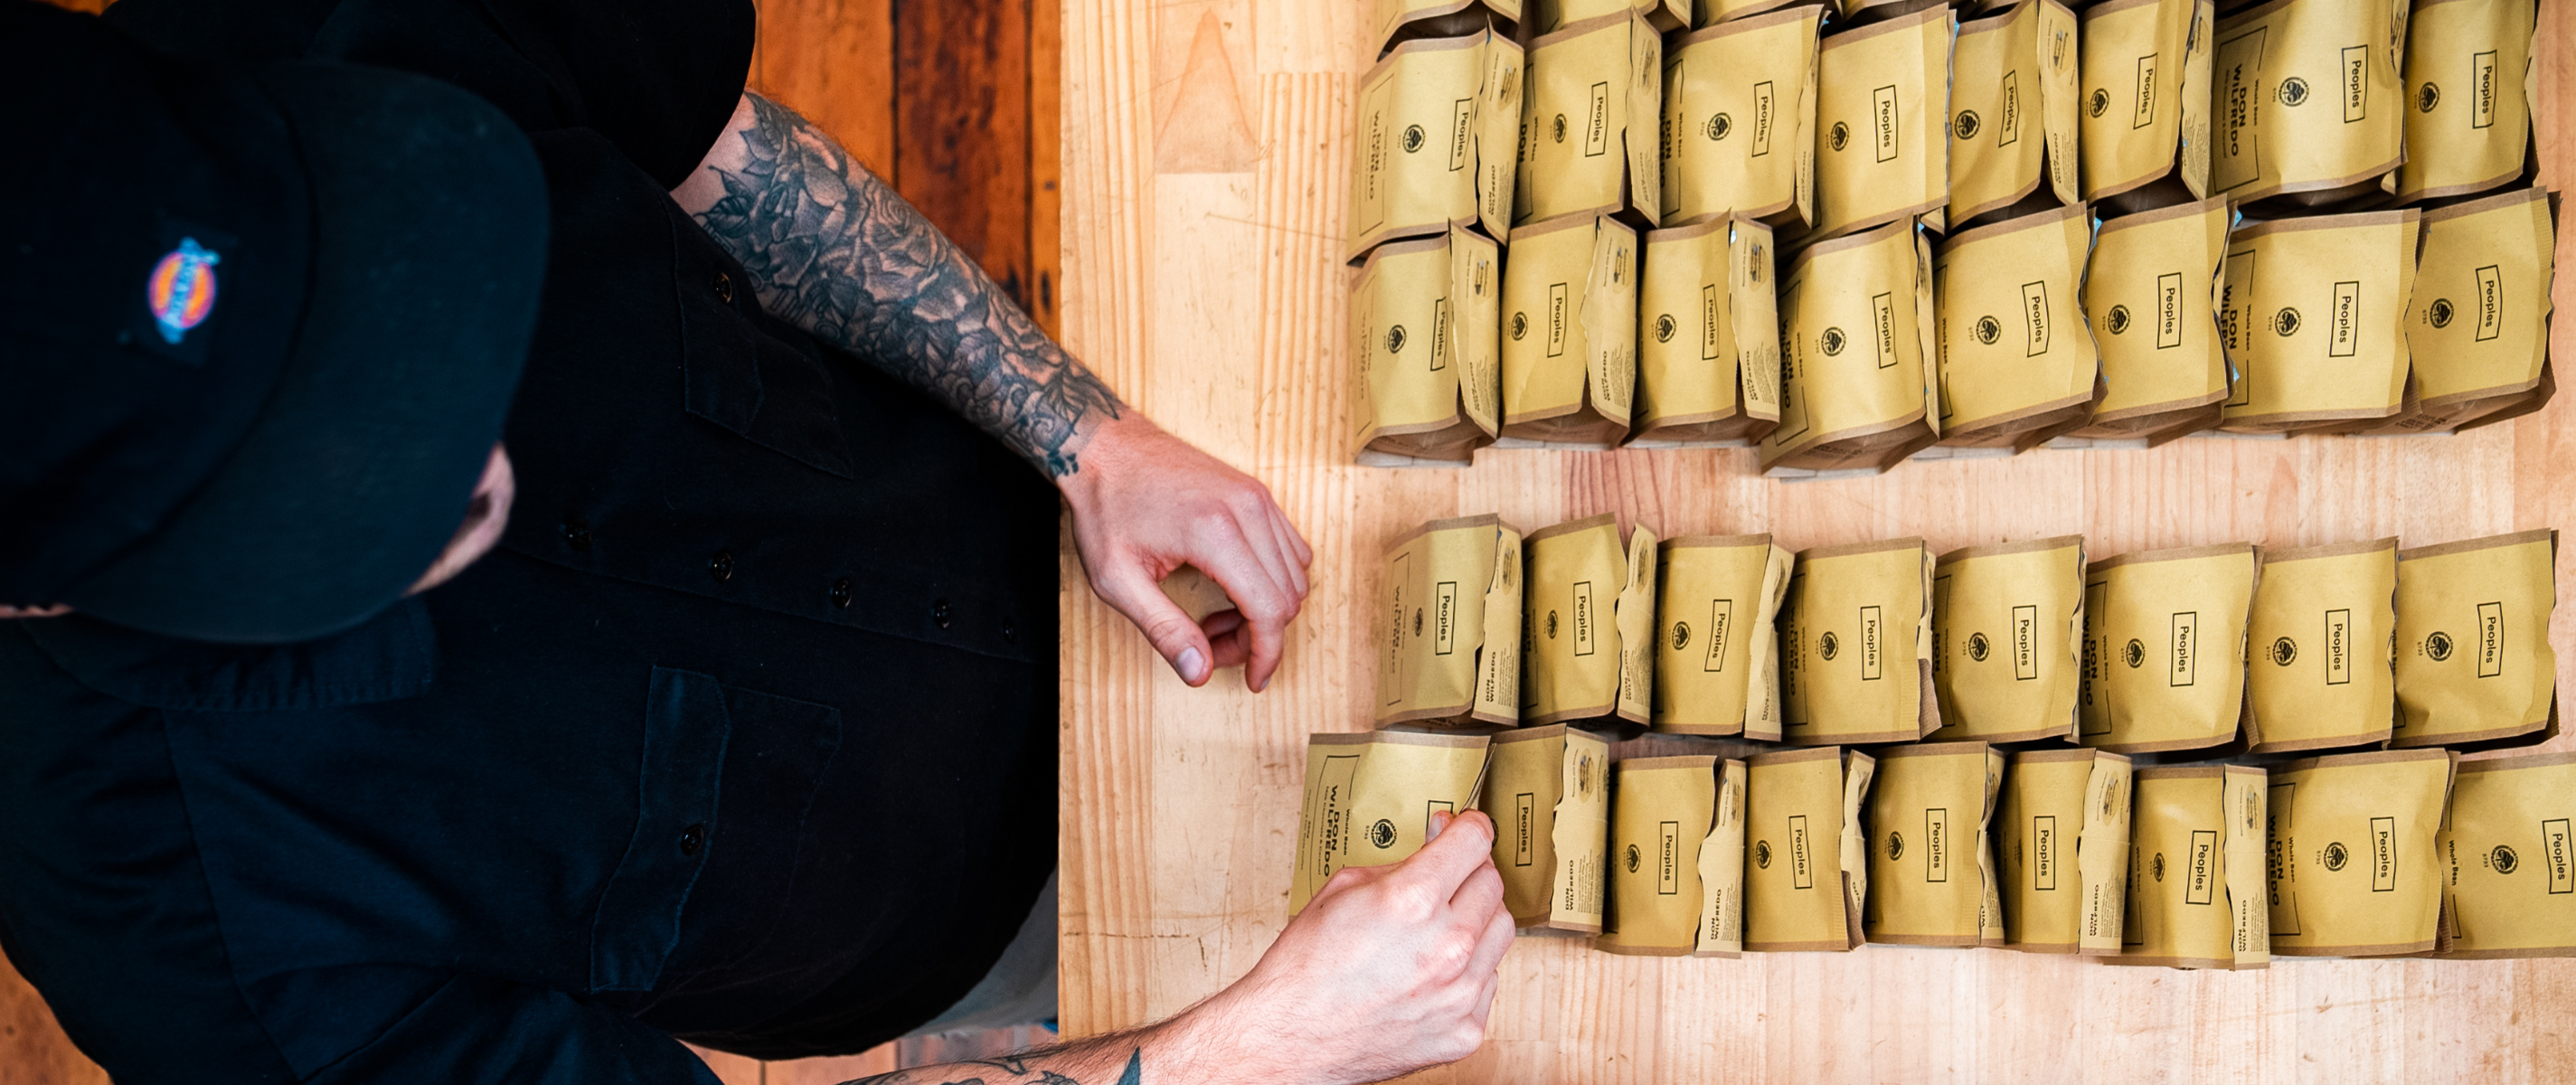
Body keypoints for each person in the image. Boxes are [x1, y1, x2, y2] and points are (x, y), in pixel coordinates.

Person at [0, 3, 1514, 1083]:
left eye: (404, 293)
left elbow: (713, 145)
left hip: (1055, 545)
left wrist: (1076, 431)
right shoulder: (177, 942)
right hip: (965, 947)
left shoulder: (321, 16)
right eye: (334, 495)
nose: (471, 450)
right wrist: (1248, 1052)